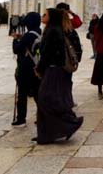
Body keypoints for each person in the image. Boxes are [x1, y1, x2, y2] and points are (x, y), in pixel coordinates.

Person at [34, 8, 83, 144]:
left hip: (53, 70)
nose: (42, 16)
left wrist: (39, 68)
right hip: (55, 70)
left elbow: (47, 54)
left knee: (46, 101)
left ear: (52, 18)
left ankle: (68, 126)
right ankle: (46, 134)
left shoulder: (52, 32)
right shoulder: (54, 30)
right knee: (49, 101)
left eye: (45, 15)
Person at [11, 12, 42, 127]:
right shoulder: (39, 32)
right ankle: (42, 116)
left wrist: (15, 39)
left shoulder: (28, 35)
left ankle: (21, 118)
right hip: (35, 67)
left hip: (25, 68)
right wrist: (22, 38)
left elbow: (17, 49)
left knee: (22, 94)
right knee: (37, 94)